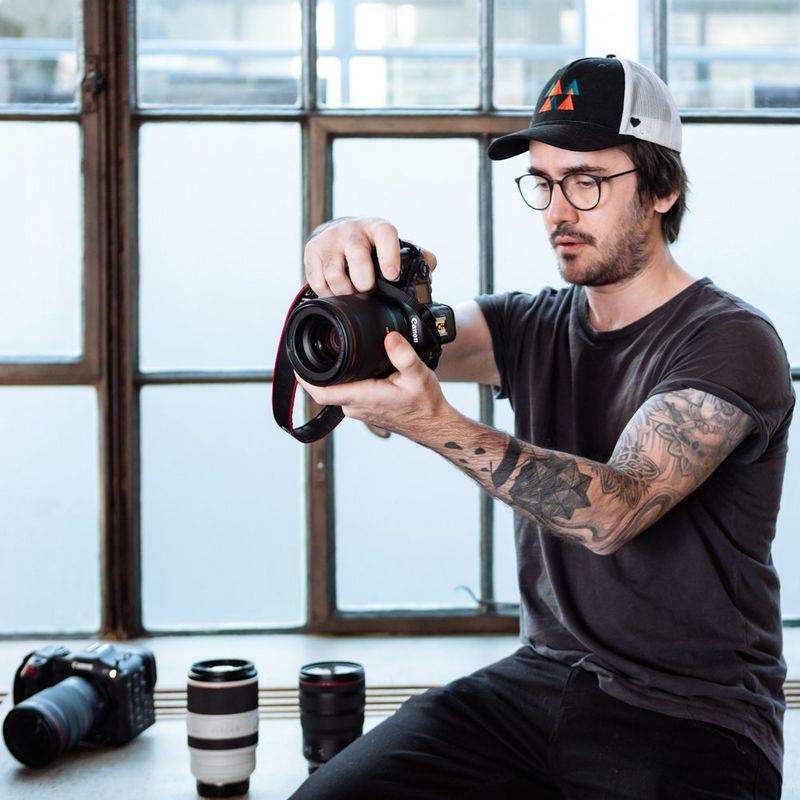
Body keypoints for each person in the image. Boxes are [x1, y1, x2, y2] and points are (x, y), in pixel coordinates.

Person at [289, 55, 795, 799]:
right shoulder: (524, 324)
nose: (559, 210)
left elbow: (616, 510)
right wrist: (345, 261)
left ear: (662, 187)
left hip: (696, 715)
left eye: (587, 181)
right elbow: (379, 365)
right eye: (545, 181)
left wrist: (432, 420)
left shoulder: (731, 340)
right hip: (538, 682)